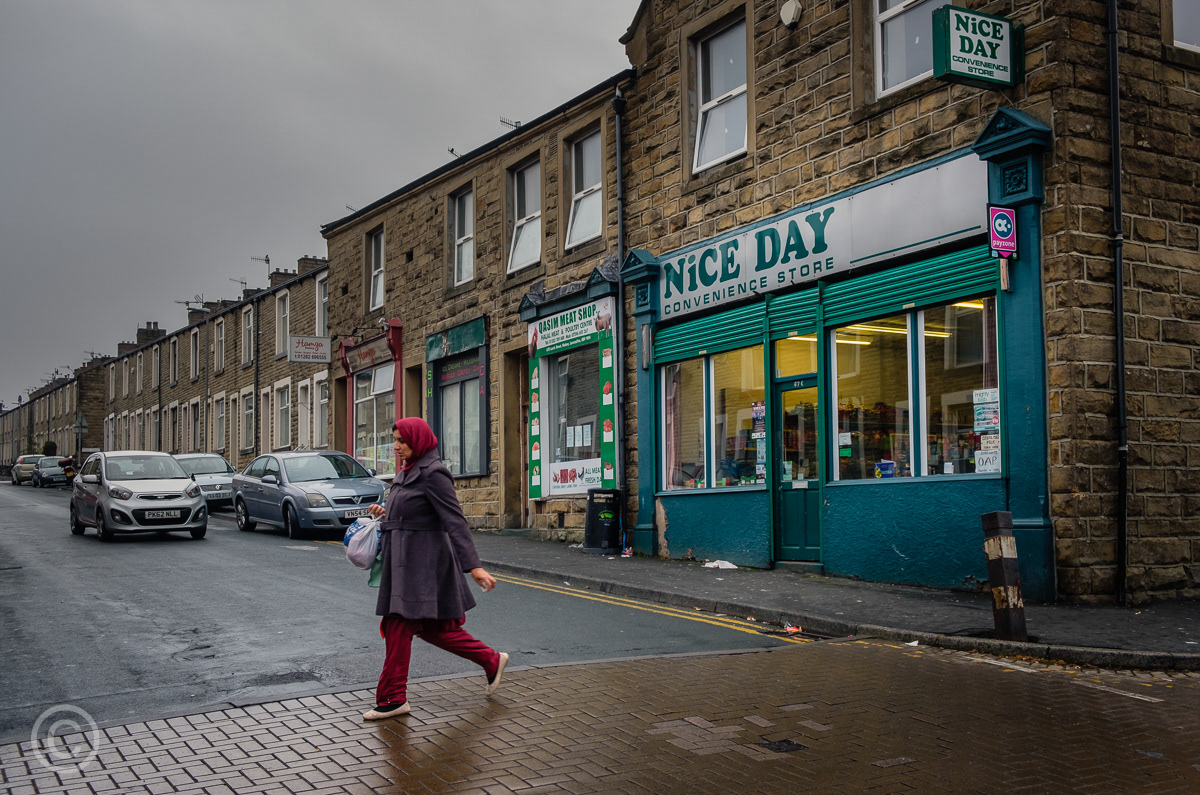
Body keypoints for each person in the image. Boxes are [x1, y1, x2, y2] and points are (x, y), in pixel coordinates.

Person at [362, 417, 508, 721]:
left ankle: (392, 698)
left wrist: (475, 567)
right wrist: (384, 514)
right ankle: (491, 660)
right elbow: (410, 514)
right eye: (396, 439)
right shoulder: (407, 472)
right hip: (405, 564)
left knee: (398, 627)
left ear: (418, 439)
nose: (397, 446)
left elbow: (454, 521)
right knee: (433, 629)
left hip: (423, 567)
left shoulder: (434, 473)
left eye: (402, 440)